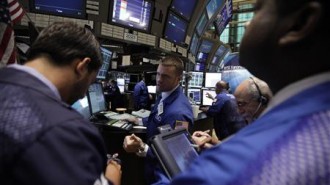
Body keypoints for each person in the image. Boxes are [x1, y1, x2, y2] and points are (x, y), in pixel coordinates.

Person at [159, 0, 330, 184]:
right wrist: (221, 147)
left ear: (300, 23)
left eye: (258, 11)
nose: (248, 23)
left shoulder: (231, 168)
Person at [0, 22, 121, 185]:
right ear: (82, 67)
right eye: (90, 82)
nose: (84, 93)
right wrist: (112, 177)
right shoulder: (68, 130)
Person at [123, 56, 194, 184]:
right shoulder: (165, 95)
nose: (159, 80)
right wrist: (138, 121)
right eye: (158, 74)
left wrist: (142, 147)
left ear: (178, 79)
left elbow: (175, 157)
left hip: (162, 176)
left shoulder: (179, 113)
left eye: (166, 76)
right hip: (152, 168)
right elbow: (157, 118)